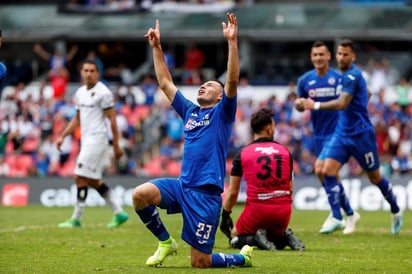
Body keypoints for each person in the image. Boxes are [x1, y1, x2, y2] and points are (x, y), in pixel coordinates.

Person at [131, 13, 253, 268]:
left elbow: (231, 81)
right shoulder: (190, 111)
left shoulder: (223, 113)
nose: (203, 86)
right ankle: (165, 242)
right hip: (182, 186)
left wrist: (232, 42)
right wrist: (157, 48)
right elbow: (165, 83)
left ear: (220, 97)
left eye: (209, 85)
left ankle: (242, 258)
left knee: (200, 262)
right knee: (140, 195)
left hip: (205, 195)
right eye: (202, 85)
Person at [300, 39, 403, 235]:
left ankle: (396, 209)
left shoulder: (353, 76)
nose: (341, 57)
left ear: (353, 57)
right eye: (339, 53)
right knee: (325, 169)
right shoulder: (342, 77)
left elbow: (342, 103)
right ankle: (338, 216)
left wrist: (316, 105)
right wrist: (362, 100)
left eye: (345, 54)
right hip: (342, 133)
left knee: (374, 177)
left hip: (361, 135)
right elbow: (369, 92)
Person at [295, 41, 360, 234]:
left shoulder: (339, 78)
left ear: (329, 56)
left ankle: (337, 215)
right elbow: (300, 105)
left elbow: (354, 97)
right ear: (311, 57)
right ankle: (348, 212)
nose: (318, 58)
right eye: (314, 55)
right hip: (319, 134)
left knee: (321, 169)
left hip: (339, 132)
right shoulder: (305, 80)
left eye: (321, 55)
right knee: (327, 174)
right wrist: (300, 104)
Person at [55, 60, 129, 229]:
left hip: (97, 139)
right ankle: (119, 212)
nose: (89, 73)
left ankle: (76, 218)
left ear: (97, 73)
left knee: (79, 176)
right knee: (94, 180)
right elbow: (77, 118)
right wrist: (62, 136)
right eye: (86, 70)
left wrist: (116, 146)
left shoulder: (104, 93)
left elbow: (112, 121)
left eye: (92, 71)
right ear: (81, 72)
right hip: (86, 139)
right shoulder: (80, 92)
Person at [220, 108, 305, 252]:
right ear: (269, 128)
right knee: (271, 234)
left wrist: (225, 215)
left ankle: (255, 239)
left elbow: (233, 193)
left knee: (234, 236)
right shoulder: (285, 152)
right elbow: (290, 189)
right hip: (283, 213)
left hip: (257, 211)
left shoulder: (242, 154)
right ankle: (284, 236)